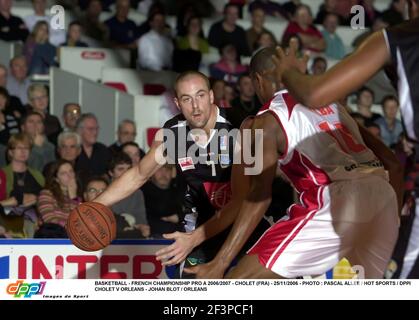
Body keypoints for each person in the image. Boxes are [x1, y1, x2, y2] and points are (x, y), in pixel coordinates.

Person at [181, 47, 402, 279]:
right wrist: (393, 218)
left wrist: (220, 262)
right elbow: (394, 164)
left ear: (257, 80)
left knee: (238, 283)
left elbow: (258, 198)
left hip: (336, 199)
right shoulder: (333, 105)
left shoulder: (266, 120)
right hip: (383, 196)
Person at [92, 71, 268, 277]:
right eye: (187, 99)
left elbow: (245, 199)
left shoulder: (242, 125)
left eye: (200, 95)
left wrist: (194, 238)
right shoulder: (173, 133)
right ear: (177, 103)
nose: (195, 106)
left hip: (244, 224)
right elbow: (139, 174)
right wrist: (96, 204)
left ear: (211, 96)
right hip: (198, 226)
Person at [37, 159, 80, 227]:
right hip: (54, 235)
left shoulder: (78, 198)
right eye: (63, 173)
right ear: (56, 179)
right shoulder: (46, 194)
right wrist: (72, 227)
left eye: (71, 171)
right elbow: (50, 221)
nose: (69, 176)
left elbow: (79, 221)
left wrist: (73, 197)